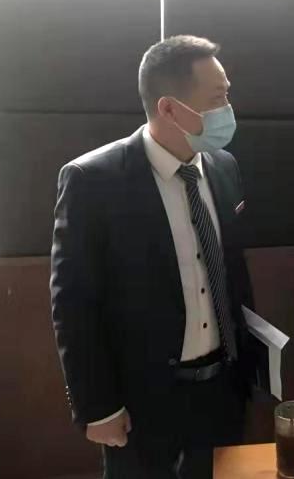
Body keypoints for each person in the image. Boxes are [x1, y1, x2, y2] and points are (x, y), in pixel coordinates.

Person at [50, 35, 255, 478]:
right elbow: (74, 304)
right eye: (217, 99)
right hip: (140, 398)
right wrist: (98, 408)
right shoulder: (93, 181)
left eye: (227, 95)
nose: (228, 109)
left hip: (222, 389)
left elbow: (232, 273)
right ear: (169, 108)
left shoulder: (224, 167)